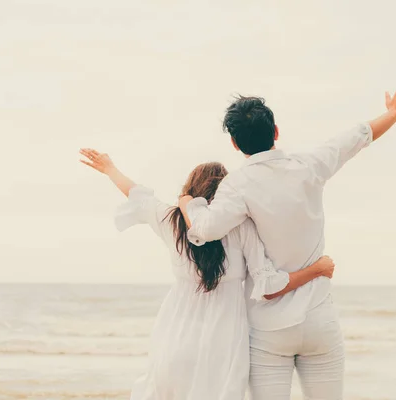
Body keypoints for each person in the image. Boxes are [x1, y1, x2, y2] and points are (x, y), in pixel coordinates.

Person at [178, 76, 396, 400]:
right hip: (318, 318)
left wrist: (188, 202)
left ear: (235, 144)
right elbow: (357, 137)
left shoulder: (237, 186)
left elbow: (205, 229)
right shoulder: (309, 165)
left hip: (268, 329)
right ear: (276, 132)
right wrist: (393, 113)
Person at [79, 151, 336, 400]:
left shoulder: (171, 220)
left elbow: (138, 194)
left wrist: (109, 168)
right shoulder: (241, 226)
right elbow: (269, 285)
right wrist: (317, 269)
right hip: (224, 342)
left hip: (175, 334)